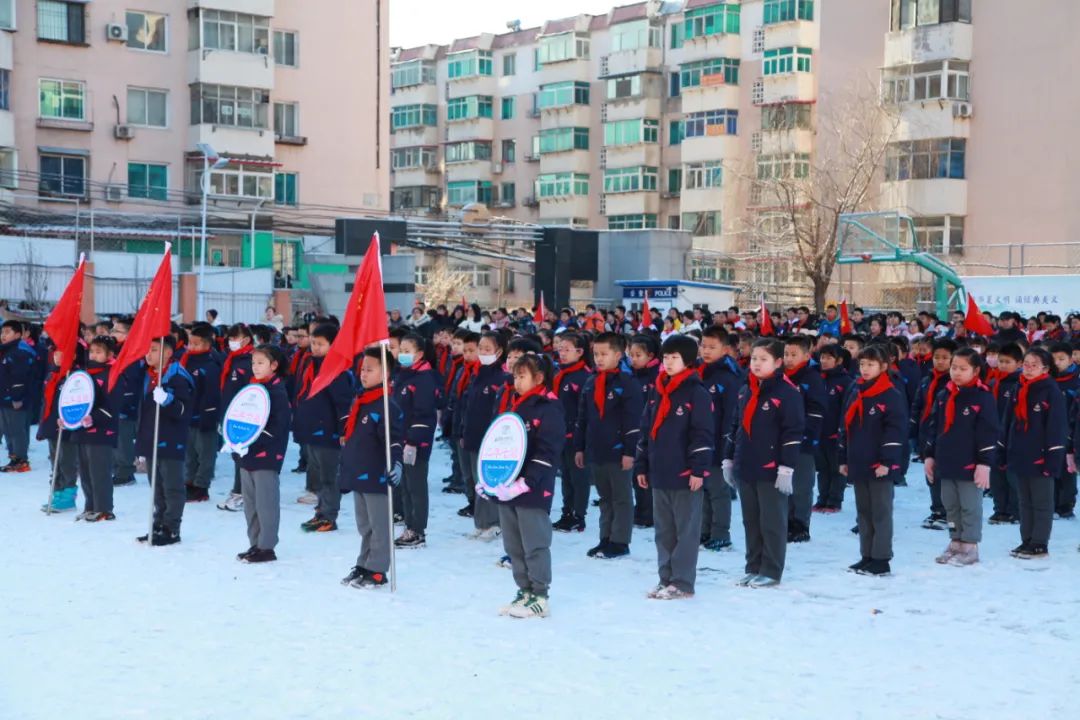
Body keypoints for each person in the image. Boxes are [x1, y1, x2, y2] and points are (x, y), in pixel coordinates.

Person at [635, 335, 714, 599]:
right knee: (664, 531)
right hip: (660, 471)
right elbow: (646, 430)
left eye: (675, 358)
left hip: (684, 473)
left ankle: (682, 581)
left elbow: (702, 434)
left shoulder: (697, 393)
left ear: (688, 361)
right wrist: (642, 465)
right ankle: (665, 578)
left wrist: (698, 469)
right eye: (666, 357)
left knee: (686, 531)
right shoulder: (657, 390)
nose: (668, 362)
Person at [725, 338, 804, 588]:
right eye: (754, 359)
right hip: (746, 464)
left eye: (763, 359)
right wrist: (728, 458)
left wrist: (787, 468)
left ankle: (771, 570)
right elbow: (735, 426)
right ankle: (754, 566)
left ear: (778, 362)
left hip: (772, 468)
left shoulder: (787, 393)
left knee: (772, 522)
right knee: (751, 521)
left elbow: (792, 433)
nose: (757, 364)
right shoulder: (746, 390)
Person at [492, 353, 565, 619]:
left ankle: (540, 595)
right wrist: (490, 480)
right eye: (515, 376)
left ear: (539, 378)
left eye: (522, 376)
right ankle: (524, 590)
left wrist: (527, 481)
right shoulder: (514, 405)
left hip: (533, 488)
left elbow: (548, 451)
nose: (517, 382)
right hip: (509, 485)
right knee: (514, 545)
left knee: (534, 543)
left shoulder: (549, 408)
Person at [923, 347, 999, 566]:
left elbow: (988, 432)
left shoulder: (983, 397)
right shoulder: (944, 394)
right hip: (946, 460)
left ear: (975, 371)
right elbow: (933, 427)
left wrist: (984, 463)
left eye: (963, 369)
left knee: (969, 505)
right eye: (954, 367)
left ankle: (970, 544)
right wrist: (929, 455)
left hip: (970, 462)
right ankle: (955, 540)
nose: (956, 372)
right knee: (951, 505)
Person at [575, 332, 644, 559]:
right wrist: (580, 447)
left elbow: (633, 421)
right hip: (597, 448)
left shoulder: (628, 383)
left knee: (621, 497)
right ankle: (605, 538)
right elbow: (583, 418)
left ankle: (620, 541)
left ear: (618, 354)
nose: (599, 358)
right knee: (605, 497)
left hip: (619, 450)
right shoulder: (591, 382)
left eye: (604, 354)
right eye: (596, 354)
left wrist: (629, 451)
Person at [339, 347, 404, 589]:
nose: (363, 374)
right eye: (362, 369)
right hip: (359, 471)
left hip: (377, 475)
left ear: (385, 373)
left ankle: (377, 569)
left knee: (379, 525)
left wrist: (396, 464)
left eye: (370, 369)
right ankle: (364, 563)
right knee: (365, 525)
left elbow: (394, 440)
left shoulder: (387, 405)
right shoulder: (363, 400)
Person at [839, 345, 907, 576]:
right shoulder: (857, 391)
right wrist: (843, 458)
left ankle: (881, 558)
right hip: (858, 461)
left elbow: (895, 431)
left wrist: (887, 461)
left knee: (880, 512)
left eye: (871, 364)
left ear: (883, 366)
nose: (865, 369)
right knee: (864, 512)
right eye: (862, 364)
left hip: (880, 465)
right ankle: (866, 555)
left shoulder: (891, 395)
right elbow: (846, 427)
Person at [1001, 348, 1066, 559]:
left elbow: (1056, 427)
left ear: (1045, 369)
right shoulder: (1018, 387)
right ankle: (1027, 539)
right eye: (1026, 364)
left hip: (1041, 455)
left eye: (1034, 365)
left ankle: (1039, 543)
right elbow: (1007, 421)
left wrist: (1053, 458)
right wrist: (1004, 449)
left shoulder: (1051, 390)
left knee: (1041, 502)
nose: (1028, 369)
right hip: (1020, 453)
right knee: (1024, 501)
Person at [294, 323, 355, 533]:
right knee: (319, 476)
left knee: (329, 477)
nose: (315, 347)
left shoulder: (337, 370)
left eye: (320, 344)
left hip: (329, 433)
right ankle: (320, 511)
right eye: (313, 343)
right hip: (312, 431)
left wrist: (343, 430)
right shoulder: (311, 365)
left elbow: (343, 404)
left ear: (333, 345)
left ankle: (329, 516)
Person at [135, 336, 195, 547]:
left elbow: (184, 410)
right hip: (151, 439)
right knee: (157, 487)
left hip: (171, 440)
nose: (148, 354)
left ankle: (171, 528)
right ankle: (158, 524)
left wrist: (168, 401)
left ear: (168, 352)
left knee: (172, 487)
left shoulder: (178, 377)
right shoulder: (149, 375)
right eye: (148, 349)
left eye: (154, 349)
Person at [235, 345, 292, 563]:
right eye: (253, 363)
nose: (255, 367)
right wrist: (236, 439)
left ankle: (267, 546)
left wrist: (251, 442)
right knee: (250, 504)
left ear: (274, 365)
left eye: (261, 363)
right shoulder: (252, 389)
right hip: (247, 454)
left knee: (266, 503)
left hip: (266, 455)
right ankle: (255, 543)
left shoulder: (277, 392)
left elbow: (277, 427)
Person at [393, 333, 443, 549]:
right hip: (401, 439)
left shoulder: (424, 378)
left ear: (420, 354)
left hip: (415, 443)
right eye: (401, 350)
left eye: (408, 351)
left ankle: (418, 530)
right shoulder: (403, 375)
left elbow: (424, 414)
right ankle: (409, 525)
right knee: (405, 486)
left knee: (416, 487)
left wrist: (413, 440)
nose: (402, 354)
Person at [460, 331, 509, 541]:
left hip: (490, 438)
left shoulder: (502, 377)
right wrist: (463, 431)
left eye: (487, 349)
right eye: (481, 348)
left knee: (489, 481)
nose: (483, 352)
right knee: (476, 481)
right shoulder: (477, 374)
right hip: (473, 435)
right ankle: (481, 523)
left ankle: (494, 522)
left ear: (499, 351)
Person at [697, 327, 743, 551]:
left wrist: (727, 445)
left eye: (712, 347)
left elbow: (732, 415)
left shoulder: (729, 377)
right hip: (700, 441)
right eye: (703, 346)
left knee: (718, 490)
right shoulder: (699, 372)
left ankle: (721, 533)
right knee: (703, 490)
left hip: (718, 442)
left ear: (725, 350)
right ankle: (705, 530)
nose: (706, 351)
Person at [782, 335, 826, 544]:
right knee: (784, 483)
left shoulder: (812, 378)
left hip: (804, 440)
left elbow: (817, 411)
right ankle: (787, 521)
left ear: (806, 356)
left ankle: (801, 524)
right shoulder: (779, 376)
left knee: (801, 484)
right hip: (782, 439)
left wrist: (807, 434)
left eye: (794, 355)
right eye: (786, 354)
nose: (789, 359)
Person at [69, 336, 118, 522]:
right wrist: (67, 417)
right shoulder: (85, 374)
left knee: (100, 472)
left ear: (109, 354)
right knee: (86, 472)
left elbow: (112, 405)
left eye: (99, 352)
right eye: (92, 351)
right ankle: (90, 506)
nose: (94, 355)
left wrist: (94, 417)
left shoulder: (113, 374)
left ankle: (104, 508)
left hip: (102, 431)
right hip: (82, 431)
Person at [911, 338, 957, 529]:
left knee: (945, 474)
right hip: (927, 433)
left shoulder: (955, 382)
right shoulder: (926, 380)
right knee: (931, 473)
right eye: (937, 357)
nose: (940, 361)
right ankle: (937, 509)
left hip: (946, 434)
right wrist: (913, 427)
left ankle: (948, 512)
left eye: (945, 358)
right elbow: (917, 406)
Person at [552, 333, 592, 532]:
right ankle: (567, 511)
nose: (562, 353)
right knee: (566, 476)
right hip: (561, 434)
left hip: (576, 436)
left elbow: (586, 412)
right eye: (560, 349)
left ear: (580, 352)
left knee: (579, 477)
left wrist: (581, 438)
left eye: (567, 349)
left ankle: (579, 514)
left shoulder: (584, 376)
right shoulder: (560, 374)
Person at [181, 324, 222, 503]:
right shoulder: (186, 361)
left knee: (205, 454)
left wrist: (210, 416)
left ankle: (201, 486)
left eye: (196, 344)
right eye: (190, 343)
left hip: (205, 417)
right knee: (189, 453)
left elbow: (213, 394)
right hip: (187, 416)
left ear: (207, 345)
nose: (191, 347)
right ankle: (189, 482)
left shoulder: (211, 365)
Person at [217, 324, 255, 512]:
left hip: (244, 417)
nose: (231, 342)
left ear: (246, 340)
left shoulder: (249, 362)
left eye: (235, 338)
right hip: (230, 416)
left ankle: (243, 494)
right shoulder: (232, 359)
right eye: (230, 338)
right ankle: (238, 491)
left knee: (243, 457)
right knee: (236, 456)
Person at [38, 347, 79, 511]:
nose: (58, 357)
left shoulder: (74, 376)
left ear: (73, 356)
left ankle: (68, 495)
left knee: (67, 462)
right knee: (55, 461)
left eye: (62, 353)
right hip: (51, 425)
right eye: (56, 354)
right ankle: (57, 492)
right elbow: (46, 403)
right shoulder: (52, 375)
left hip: (66, 427)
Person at [987, 343, 1023, 524]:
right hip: (993, 435)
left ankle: (1015, 510)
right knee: (996, 474)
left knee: (1012, 475)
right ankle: (1000, 508)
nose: (1002, 365)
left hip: (1012, 435)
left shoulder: (1020, 384)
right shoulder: (993, 382)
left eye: (1008, 362)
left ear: (1019, 363)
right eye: (1001, 361)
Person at [815, 345, 854, 512]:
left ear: (839, 361)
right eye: (822, 357)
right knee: (822, 468)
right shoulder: (818, 378)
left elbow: (846, 409)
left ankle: (834, 501)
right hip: (819, 432)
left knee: (836, 468)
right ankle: (822, 498)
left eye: (828, 358)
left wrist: (841, 431)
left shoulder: (846, 382)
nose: (824, 361)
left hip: (836, 434)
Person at [0, 320, 36, 472]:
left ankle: (21, 460)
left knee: (17, 430)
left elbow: (19, 378)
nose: (3, 335)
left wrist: (17, 398)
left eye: (7, 332)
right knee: (8, 430)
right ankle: (14, 457)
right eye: (2, 332)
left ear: (18, 334)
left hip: (15, 399)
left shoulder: (20, 352)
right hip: (4, 398)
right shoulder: (6, 350)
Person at [109, 317, 141, 487]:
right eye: (112, 330)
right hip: (113, 401)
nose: (112, 333)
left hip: (126, 403)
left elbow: (132, 381)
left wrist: (125, 401)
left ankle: (126, 472)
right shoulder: (115, 351)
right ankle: (117, 468)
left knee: (123, 439)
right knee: (115, 438)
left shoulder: (131, 354)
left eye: (116, 331)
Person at [1048, 342, 1078, 519]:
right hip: (1050, 430)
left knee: (1067, 468)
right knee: (1052, 466)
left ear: (1070, 359)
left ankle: (1066, 505)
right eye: (1054, 359)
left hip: (1070, 429)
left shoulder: (1076, 380)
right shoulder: (1047, 380)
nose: (1057, 363)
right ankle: (1052, 502)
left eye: (1061, 359)